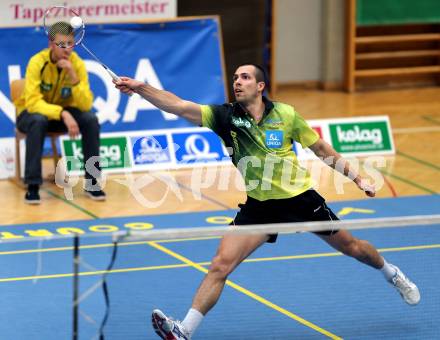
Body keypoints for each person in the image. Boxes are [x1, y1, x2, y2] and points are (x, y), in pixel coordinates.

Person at [114, 63, 420, 340]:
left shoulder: (285, 114)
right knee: (220, 265)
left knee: (354, 248)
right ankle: (184, 331)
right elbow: (178, 105)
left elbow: (321, 149)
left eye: (245, 77)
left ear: (260, 86)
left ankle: (390, 273)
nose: (237, 82)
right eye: (235, 78)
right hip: (260, 206)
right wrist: (141, 88)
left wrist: (357, 178)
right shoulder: (225, 116)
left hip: (301, 200)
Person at [15, 21, 105, 204]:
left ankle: (93, 182)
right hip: (31, 114)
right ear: (50, 44)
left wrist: (73, 77)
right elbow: (33, 103)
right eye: (61, 45)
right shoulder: (37, 62)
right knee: (38, 120)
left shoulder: (77, 64)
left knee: (90, 119)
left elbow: (86, 104)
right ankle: (33, 186)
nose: (66, 50)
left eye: (70, 44)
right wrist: (62, 113)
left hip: (61, 115)